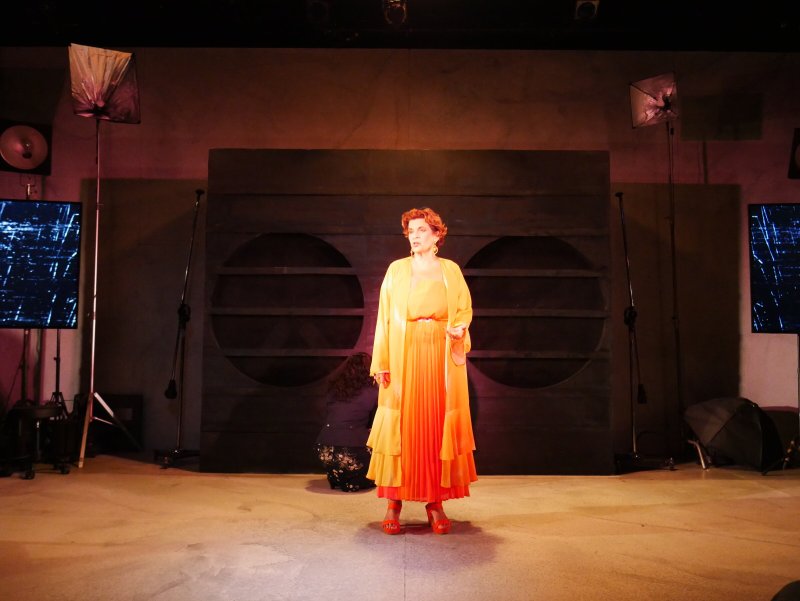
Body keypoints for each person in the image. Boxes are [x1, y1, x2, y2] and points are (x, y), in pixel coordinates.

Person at [366, 207, 477, 535]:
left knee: (434, 425)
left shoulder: (451, 270)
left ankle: (434, 503)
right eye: (411, 231)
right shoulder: (396, 270)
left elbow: (464, 309)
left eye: (421, 230)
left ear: (437, 235)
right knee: (404, 426)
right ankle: (393, 502)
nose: (414, 236)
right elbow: (384, 318)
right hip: (405, 353)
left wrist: (459, 328)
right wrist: (381, 361)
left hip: (440, 354)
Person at [316, 352, 378, 492]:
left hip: (324, 448)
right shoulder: (372, 391)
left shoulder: (334, 389)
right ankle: (352, 477)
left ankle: (337, 475)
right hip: (350, 450)